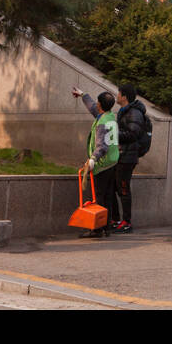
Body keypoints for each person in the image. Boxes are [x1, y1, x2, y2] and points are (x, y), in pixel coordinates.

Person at [71, 86, 118, 238]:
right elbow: (92, 107)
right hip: (112, 162)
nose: (95, 104)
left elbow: (102, 146)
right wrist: (83, 95)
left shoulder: (102, 122)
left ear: (100, 105)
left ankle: (97, 229)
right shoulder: (110, 116)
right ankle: (107, 227)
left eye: (97, 102)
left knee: (98, 197)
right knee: (108, 196)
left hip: (102, 164)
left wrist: (93, 159)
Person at [110, 83, 149, 233]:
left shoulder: (134, 113)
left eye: (118, 93)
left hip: (128, 156)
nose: (117, 96)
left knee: (123, 188)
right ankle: (116, 219)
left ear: (124, 96)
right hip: (121, 154)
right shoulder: (125, 111)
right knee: (114, 187)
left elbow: (133, 134)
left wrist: (113, 135)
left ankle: (126, 222)